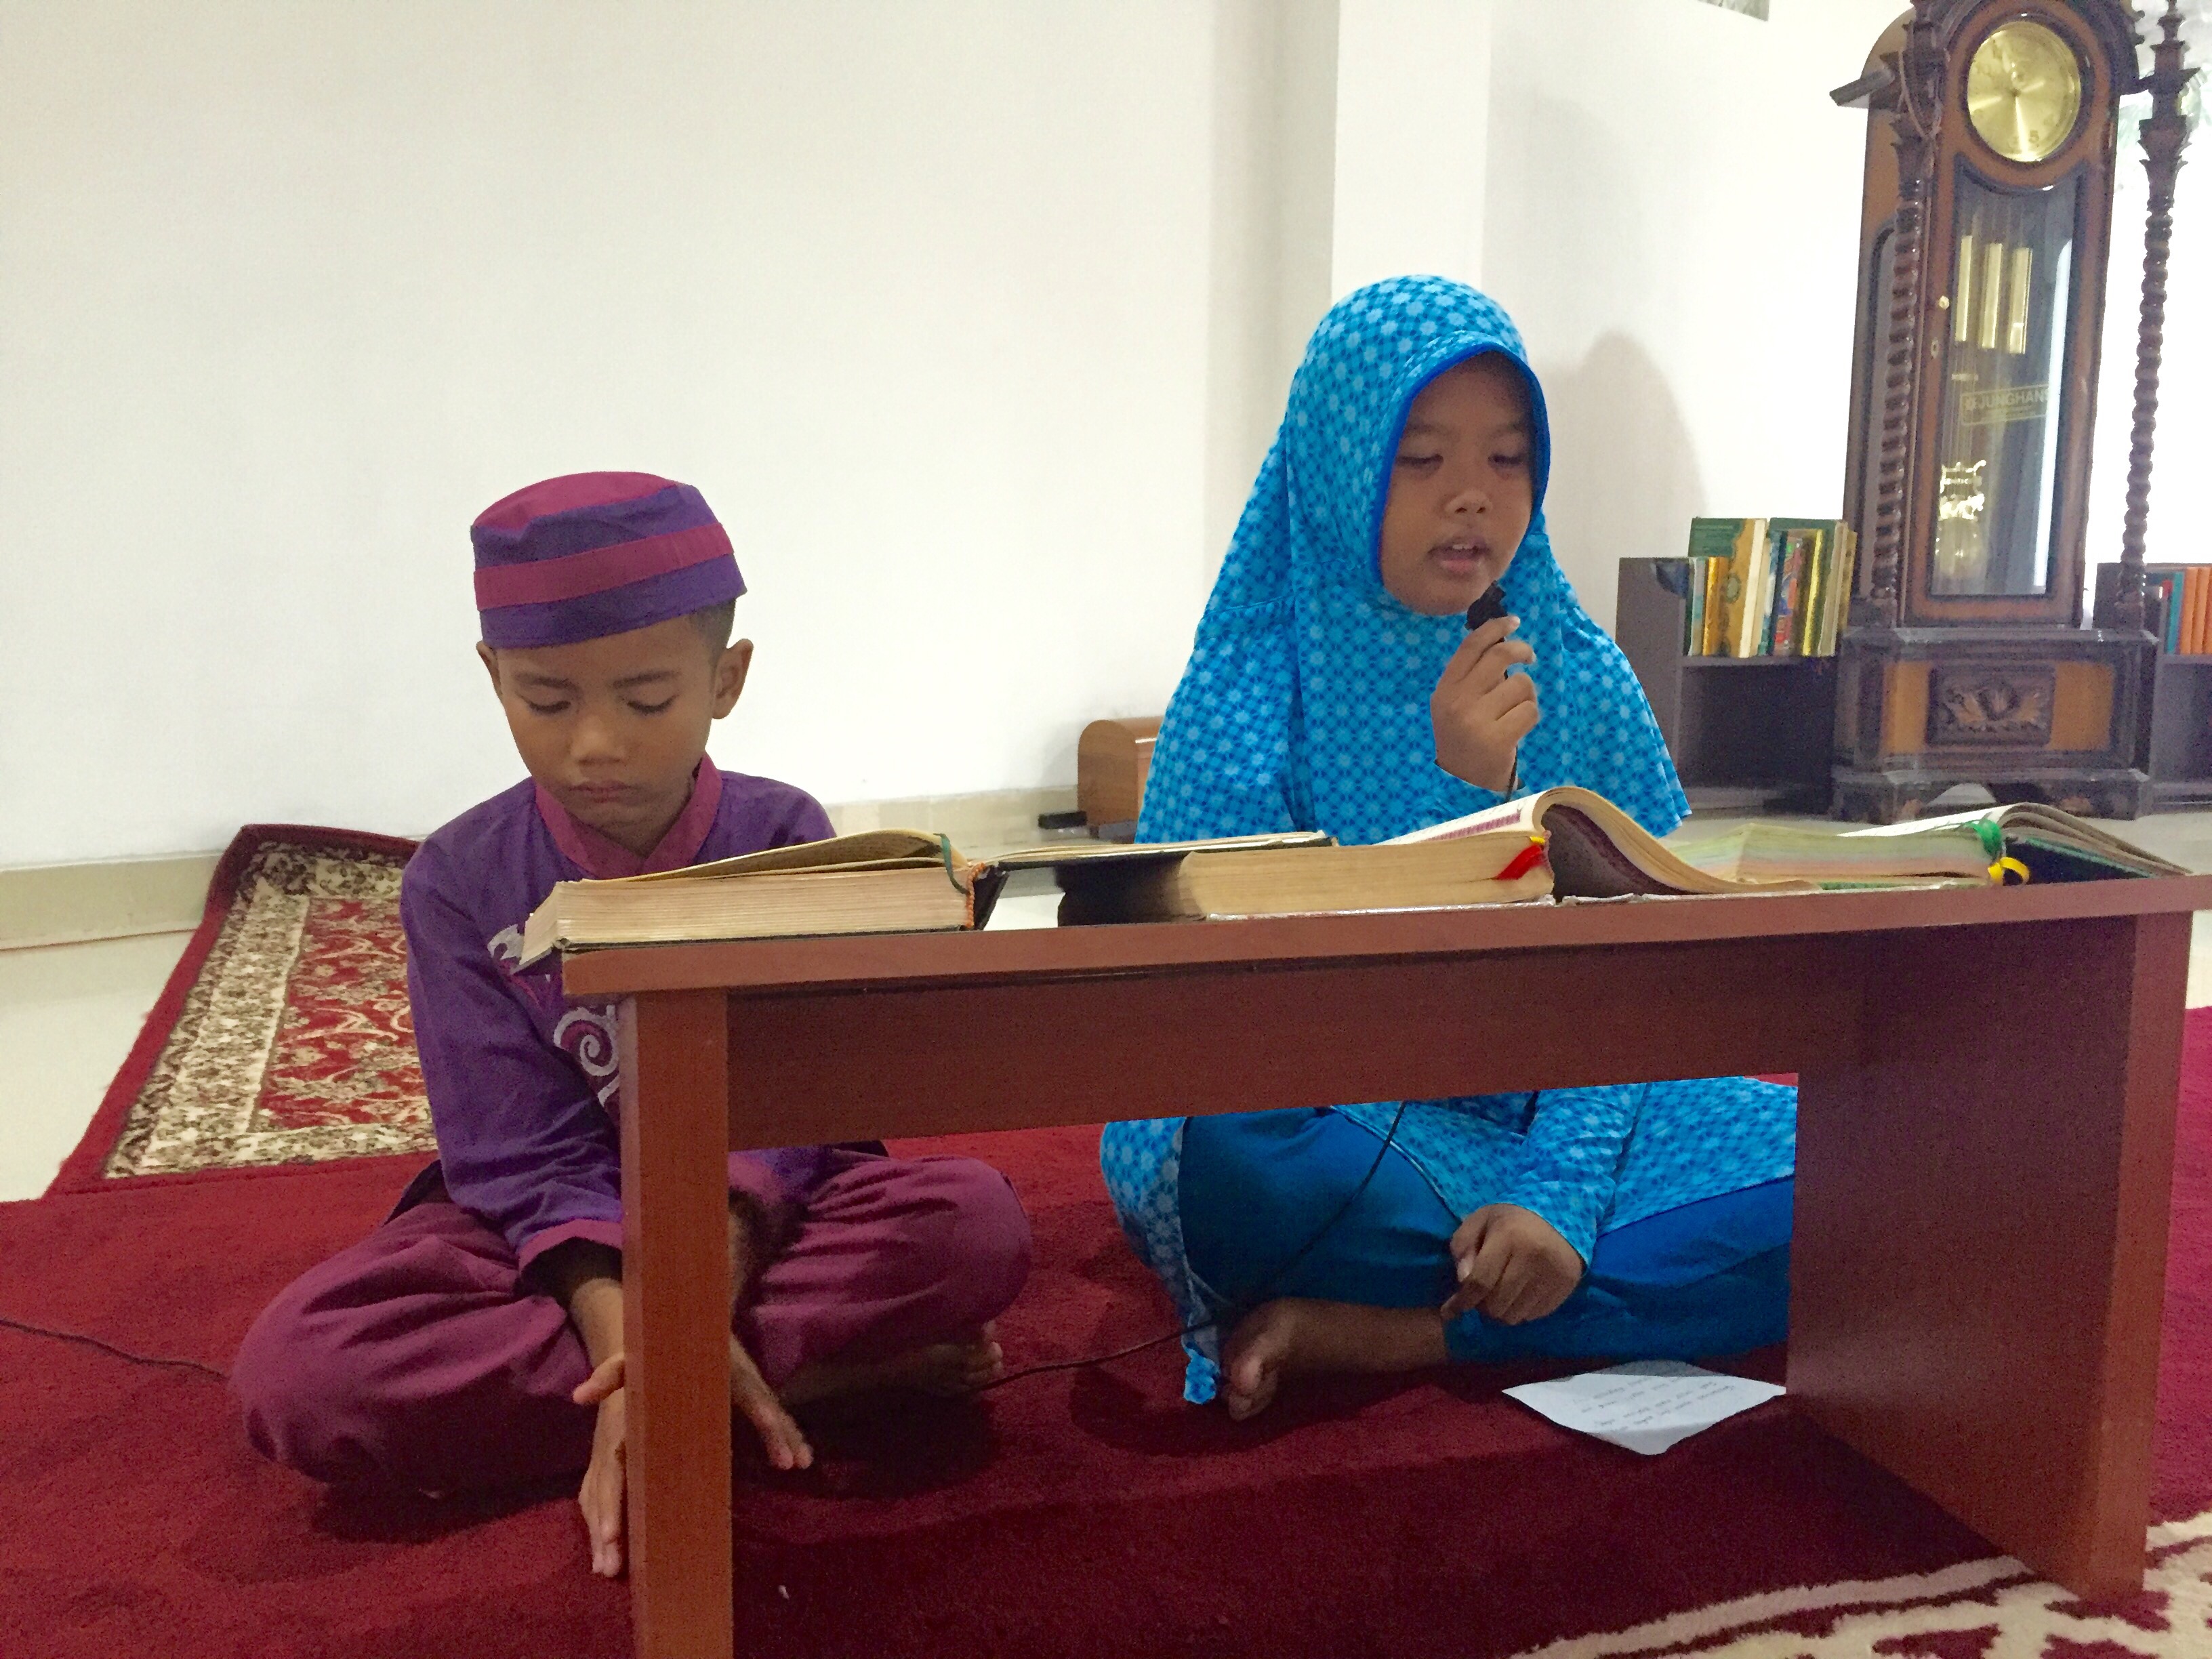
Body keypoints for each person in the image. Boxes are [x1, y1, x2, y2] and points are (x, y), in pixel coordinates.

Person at [232, 472, 1031, 1576]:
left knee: (970, 1223)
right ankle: (798, 1381)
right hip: (556, 1246)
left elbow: (792, 1121)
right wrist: (650, 1341)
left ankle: (637, 1394)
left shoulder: (787, 839)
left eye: (647, 701)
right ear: (493, 677)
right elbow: (518, 1158)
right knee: (302, 1372)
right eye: (546, 701)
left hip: (758, 1212)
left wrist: (686, 1309)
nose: (596, 744)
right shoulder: (458, 879)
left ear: (725, 680)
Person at [1099, 277, 1795, 1420]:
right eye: (1420, 459)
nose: (1472, 495)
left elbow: (1641, 980)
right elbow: (1202, 1016)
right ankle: (1537, 1298)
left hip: (1571, 1105)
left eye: (1509, 458)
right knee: (1233, 1161)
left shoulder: (1573, 671)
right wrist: (1461, 807)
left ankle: (1411, 1332)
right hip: (1340, 1119)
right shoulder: (1245, 697)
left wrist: (1559, 1195)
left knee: (1877, 1181)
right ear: (1339, 467)